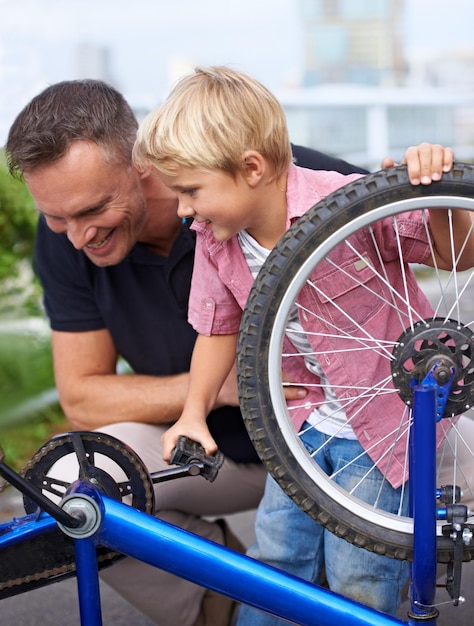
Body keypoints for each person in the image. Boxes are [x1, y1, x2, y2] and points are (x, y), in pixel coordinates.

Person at [4, 78, 378, 626]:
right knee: (67, 480)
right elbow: (82, 396)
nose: (77, 236)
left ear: (143, 162)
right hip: (206, 452)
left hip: (341, 434)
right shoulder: (64, 234)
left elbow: (432, 245)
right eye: (59, 218)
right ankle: (217, 601)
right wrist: (217, 389)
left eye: (92, 209)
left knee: (367, 572)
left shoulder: (274, 179)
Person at [132, 66, 474, 623]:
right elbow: (216, 328)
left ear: (250, 168)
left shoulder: (348, 205)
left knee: (361, 574)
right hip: (299, 428)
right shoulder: (216, 243)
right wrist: (193, 413)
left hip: (387, 434)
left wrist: (436, 198)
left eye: (190, 191)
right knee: (276, 559)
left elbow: (452, 253)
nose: (182, 210)